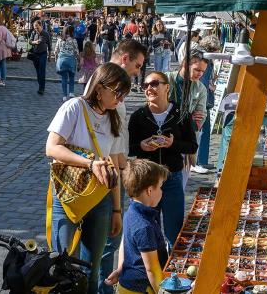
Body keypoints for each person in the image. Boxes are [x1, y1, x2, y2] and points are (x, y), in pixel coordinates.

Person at [46, 63, 131, 294]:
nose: (120, 99)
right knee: (62, 266)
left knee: (92, 269)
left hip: (100, 197)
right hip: (68, 194)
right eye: (117, 93)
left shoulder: (114, 118)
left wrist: (116, 210)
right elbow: (52, 148)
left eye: (124, 94)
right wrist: (90, 163)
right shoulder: (74, 107)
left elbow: (112, 165)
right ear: (99, 87)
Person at [96, 39, 149, 294]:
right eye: (137, 65)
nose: (139, 71)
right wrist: (121, 172)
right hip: (109, 175)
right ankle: (103, 289)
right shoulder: (108, 88)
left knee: (109, 241)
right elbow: (108, 145)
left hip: (117, 170)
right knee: (109, 241)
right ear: (125, 58)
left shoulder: (117, 89)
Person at [128, 71, 197, 245]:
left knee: (174, 231)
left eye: (154, 84)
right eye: (145, 85)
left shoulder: (180, 114)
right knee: (149, 230)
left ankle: (171, 268)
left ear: (167, 87)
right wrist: (142, 146)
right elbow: (127, 148)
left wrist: (172, 144)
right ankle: (152, 268)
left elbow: (192, 146)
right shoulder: (138, 116)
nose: (149, 88)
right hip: (147, 180)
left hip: (172, 177)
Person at [104, 159, 169, 294]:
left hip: (127, 285)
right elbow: (152, 269)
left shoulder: (131, 211)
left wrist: (121, 268)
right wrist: (162, 292)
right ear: (150, 190)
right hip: (140, 289)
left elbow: (125, 243)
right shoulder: (144, 226)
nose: (162, 191)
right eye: (161, 186)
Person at [165, 49, 209, 186]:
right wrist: (188, 117)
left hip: (185, 142)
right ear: (185, 63)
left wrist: (190, 120)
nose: (200, 74)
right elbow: (154, 109)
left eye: (203, 71)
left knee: (179, 184)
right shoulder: (166, 79)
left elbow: (200, 118)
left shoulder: (200, 88)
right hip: (163, 139)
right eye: (197, 70)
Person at [192, 34, 220, 175]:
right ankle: (197, 162)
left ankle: (202, 159)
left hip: (206, 99)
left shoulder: (207, 60)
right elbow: (201, 82)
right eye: (216, 50)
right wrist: (211, 86)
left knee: (205, 130)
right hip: (203, 99)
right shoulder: (204, 60)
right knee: (201, 131)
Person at [56, 25, 80, 101]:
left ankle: (64, 96)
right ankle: (71, 93)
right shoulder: (73, 40)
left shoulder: (60, 40)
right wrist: (79, 61)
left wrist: (56, 60)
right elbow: (76, 52)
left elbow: (56, 50)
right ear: (72, 32)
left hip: (62, 60)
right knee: (72, 77)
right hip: (71, 60)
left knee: (64, 78)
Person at [29, 20, 51, 95]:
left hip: (43, 54)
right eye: (35, 28)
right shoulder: (33, 32)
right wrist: (35, 42)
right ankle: (40, 84)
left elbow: (49, 44)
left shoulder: (45, 33)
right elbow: (30, 41)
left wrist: (50, 56)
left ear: (41, 26)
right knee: (38, 71)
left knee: (42, 71)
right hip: (35, 54)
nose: (36, 29)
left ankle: (42, 88)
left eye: (37, 28)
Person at [133, 23, 152, 90]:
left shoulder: (147, 36)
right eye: (140, 27)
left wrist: (146, 52)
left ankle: (141, 85)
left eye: (143, 27)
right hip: (136, 55)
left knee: (142, 71)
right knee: (135, 69)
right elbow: (132, 45)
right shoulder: (135, 35)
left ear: (145, 28)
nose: (141, 28)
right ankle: (135, 84)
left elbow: (150, 45)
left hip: (144, 55)